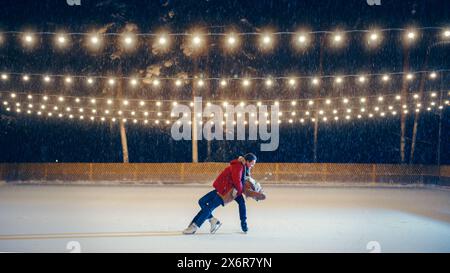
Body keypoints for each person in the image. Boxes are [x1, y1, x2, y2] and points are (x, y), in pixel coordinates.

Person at [183, 153, 265, 235]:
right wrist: (243, 191)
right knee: (202, 202)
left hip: (228, 191)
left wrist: (254, 191)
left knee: (210, 207)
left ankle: (195, 226)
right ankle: (212, 220)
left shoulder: (244, 167)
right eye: (252, 163)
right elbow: (237, 180)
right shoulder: (239, 166)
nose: (253, 165)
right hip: (225, 189)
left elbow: (243, 181)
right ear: (247, 161)